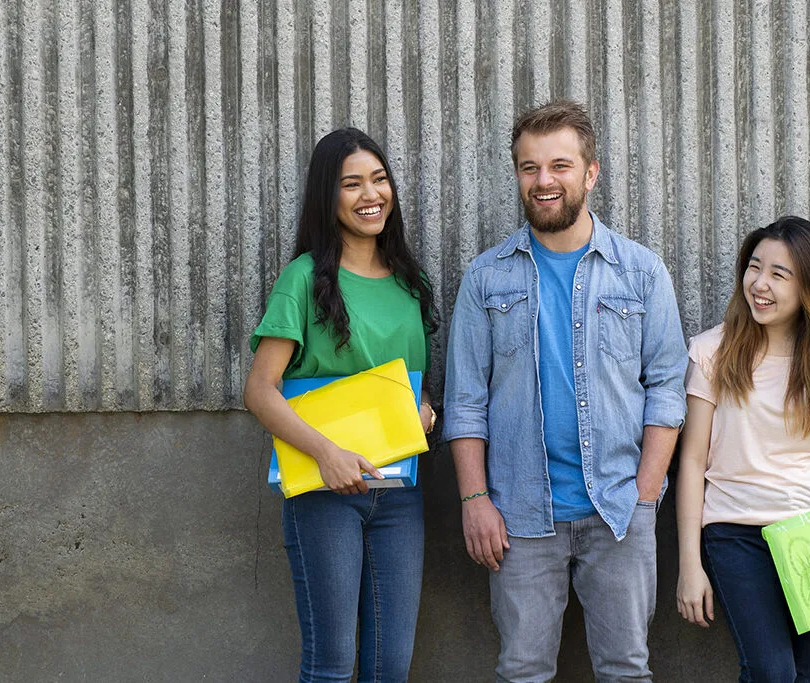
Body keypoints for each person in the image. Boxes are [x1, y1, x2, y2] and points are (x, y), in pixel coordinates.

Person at [442, 99, 688, 683]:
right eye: (530, 168)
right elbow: (466, 401)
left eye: (559, 166)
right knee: (522, 668)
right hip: (521, 514)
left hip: (619, 512)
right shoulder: (485, 278)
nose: (544, 181)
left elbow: (667, 389)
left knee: (626, 669)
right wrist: (475, 500)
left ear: (590, 172)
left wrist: (646, 493)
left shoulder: (641, 272)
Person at [243, 127, 438, 682]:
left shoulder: (410, 281)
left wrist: (427, 412)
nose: (370, 195)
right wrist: (327, 453)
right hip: (324, 492)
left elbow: (411, 382)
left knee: (390, 667)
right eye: (351, 184)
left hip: (399, 493)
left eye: (379, 180)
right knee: (331, 664)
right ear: (327, 198)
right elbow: (260, 389)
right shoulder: (303, 279)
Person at [674, 216, 810, 683]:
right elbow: (692, 461)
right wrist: (689, 564)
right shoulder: (712, 352)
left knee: (799, 674)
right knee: (771, 673)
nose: (759, 285)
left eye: (779, 275)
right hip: (734, 534)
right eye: (754, 268)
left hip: (808, 535)